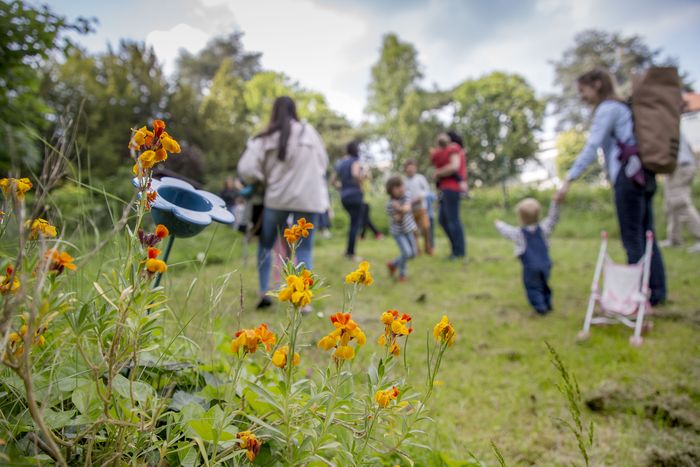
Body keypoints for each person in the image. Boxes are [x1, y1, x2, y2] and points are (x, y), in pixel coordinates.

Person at [555, 68, 666, 306]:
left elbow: (592, 146)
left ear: (597, 84)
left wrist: (568, 180)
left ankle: (639, 296)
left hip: (628, 178)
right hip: (644, 175)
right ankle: (656, 291)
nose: (581, 96)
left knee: (632, 239)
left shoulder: (608, 109)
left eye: (582, 90)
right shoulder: (623, 108)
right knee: (647, 235)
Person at [238, 96, 329, 309]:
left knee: (266, 244)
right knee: (304, 249)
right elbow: (323, 163)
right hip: (309, 199)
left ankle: (264, 292)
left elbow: (246, 168)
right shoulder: (310, 133)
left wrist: (260, 179)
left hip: (277, 199)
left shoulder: (266, 136)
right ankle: (304, 301)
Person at [495, 198, 560, 315]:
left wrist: (499, 224)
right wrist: (555, 203)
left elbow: (507, 231)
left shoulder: (519, 234)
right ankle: (547, 303)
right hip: (546, 265)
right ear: (538, 215)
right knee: (544, 284)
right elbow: (553, 218)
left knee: (533, 288)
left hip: (530, 268)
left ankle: (541, 308)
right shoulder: (544, 229)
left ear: (520, 217)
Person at [660, 129, 700, 252]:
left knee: (680, 203)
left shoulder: (663, 124)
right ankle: (674, 239)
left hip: (679, 166)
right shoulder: (671, 122)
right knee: (673, 203)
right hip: (682, 165)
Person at [431, 132, 467, 259]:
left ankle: (459, 252)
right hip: (444, 189)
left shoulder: (454, 149)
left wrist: (438, 173)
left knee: (453, 220)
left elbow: (454, 166)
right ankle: (455, 250)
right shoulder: (444, 151)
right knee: (443, 220)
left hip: (452, 188)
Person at [334, 140, 364, 259]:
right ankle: (351, 253)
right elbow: (356, 174)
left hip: (344, 197)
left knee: (353, 223)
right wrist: (360, 184)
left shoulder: (341, 163)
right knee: (355, 224)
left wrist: (343, 186)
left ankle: (348, 251)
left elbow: (333, 180)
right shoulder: (355, 161)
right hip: (355, 196)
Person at [385, 176, 418, 281]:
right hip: (398, 233)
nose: (401, 188)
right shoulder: (389, 205)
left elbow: (407, 208)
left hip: (408, 230)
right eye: (397, 187)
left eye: (401, 185)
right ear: (391, 190)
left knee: (413, 254)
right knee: (406, 253)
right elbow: (397, 218)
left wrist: (399, 208)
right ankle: (402, 275)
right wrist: (401, 211)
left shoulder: (406, 196)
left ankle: (393, 264)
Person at [403, 159, 432, 254]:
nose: (411, 170)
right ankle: (416, 250)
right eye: (409, 168)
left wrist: (420, 197)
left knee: (426, 228)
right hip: (410, 210)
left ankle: (428, 248)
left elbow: (427, 190)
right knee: (413, 231)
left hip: (421, 208)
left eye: (412, 168)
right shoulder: (404, 181)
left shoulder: (420, 178)